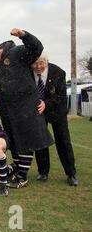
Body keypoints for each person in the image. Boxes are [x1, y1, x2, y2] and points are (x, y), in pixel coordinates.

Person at [0, 29, 54, 188]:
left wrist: (24, 35)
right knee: (14, 142)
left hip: (26, 106)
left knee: (26, 141)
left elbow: (37, 48)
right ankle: (18, 171)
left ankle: (22, 177)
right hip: (7, 109)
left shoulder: (16, 53)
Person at [31, 54, 78, 186]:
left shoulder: (58, 73)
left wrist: (46, 103)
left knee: (63, 141)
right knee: (41, 142)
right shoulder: (28, 73)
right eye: (35, 63)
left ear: (47, 62)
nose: (38, 67)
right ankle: (43, 172)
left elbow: (61, 96)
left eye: (41, 63)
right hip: (38, 112)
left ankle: (71, 174)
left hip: (57, 110)